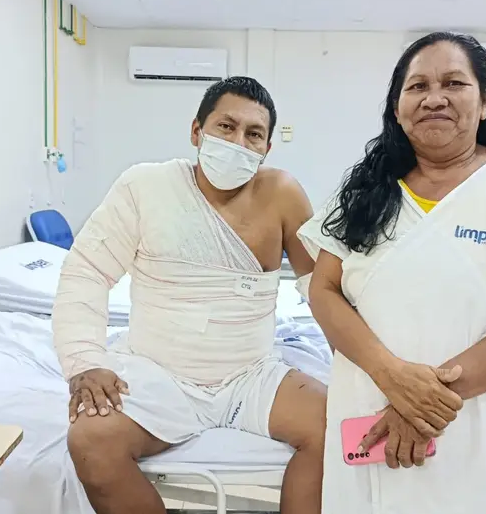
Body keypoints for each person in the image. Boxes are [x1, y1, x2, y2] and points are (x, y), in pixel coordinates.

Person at [299, 32, 486, 514]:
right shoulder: (364, 191)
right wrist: (391, 376)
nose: (434, 98)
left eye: (454, 83)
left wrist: (425, 402)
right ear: (398, 108)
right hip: (373, 420)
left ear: (485, 102)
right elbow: (323, 289)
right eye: (417, 86)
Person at [52, 76, 326, 514]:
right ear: (197, 131)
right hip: (157, 372)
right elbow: (86, 271)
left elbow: (323, 290)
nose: (238, 142)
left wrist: (369, 374)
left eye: (253, 134)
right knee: (90, 440)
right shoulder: (145, 186)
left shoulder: (283, 194)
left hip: (250, 375)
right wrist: (84, 362)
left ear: (267, 148)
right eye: (226, 127)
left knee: (339, 427)